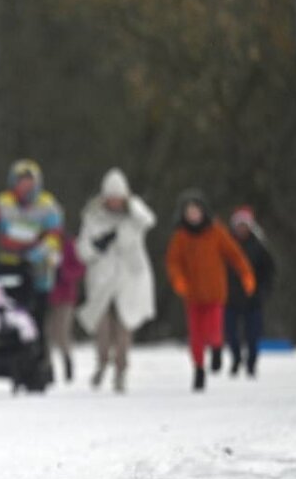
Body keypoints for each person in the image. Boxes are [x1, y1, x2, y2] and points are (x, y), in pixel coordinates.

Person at [75, 168, 156, 393]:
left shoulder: (134, 218)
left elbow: (149, 220)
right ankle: (102, 363)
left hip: (128, 279)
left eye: (119, 198)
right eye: (111, 197)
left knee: (124, 328)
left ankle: (121, 370)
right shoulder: (93, 217)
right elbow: (82, 251)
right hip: (102, 281)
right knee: (102, 329)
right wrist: (96, 246)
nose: (115, 202)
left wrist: (132, 205)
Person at [165, 190, 254, 392]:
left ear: (203, 212)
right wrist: (178, 280)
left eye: (196, 211)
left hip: (215, 293)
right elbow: (173, 263)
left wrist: (246, 274)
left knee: (214, 329)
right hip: (192, 295)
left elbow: (235, 255)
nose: (193, 216)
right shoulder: (180, 237)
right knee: (196, 336)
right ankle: (198, 369)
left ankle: (216, 348)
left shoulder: (216, 232)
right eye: (189, 212)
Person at [0, 159, 63, 377]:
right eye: (22, 181)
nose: (26, 186)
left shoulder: (48, 205)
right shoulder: (2, 203)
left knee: (38, 320)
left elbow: (55, 237)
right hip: (8, 271)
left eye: (30, 181)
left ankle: (40, 363)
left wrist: (36, 253)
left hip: (38, 274)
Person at [224, 206, 276, 377]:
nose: (241, 228)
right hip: (230, 297)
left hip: (253, 298)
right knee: (230, 333)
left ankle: (252, 362)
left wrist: (263, 291)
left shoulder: (259, 246)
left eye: (244, 225)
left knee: (253, 334)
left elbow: (269, 271)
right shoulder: (226, 244)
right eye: (239, 225)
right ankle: (236, 358)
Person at [45, 228, 85, 383]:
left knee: (62, 332)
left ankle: (67, 361)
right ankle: (47, 367)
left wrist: (63, 272)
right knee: (46, 333)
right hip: (45, 296)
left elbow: (79, 267)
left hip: (65, 296)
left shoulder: (69, 245)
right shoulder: (40, 244)